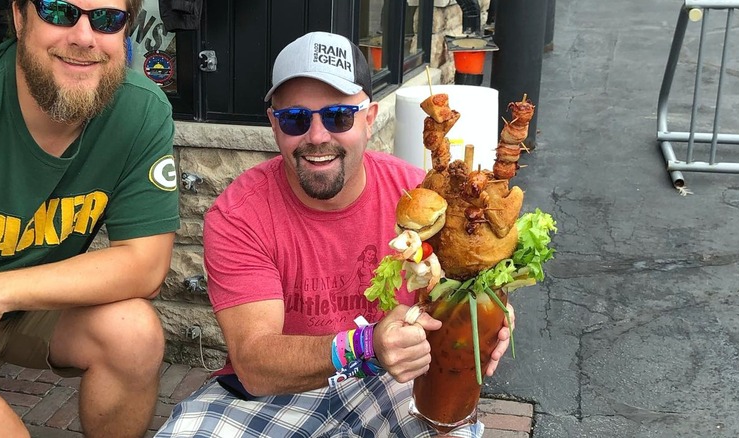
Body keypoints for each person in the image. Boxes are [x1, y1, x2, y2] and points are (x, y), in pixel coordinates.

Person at [155, 31, 513, 438]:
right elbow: (254, 364)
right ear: (274, 124)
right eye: (295, 118)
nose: (317, 136)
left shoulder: (422, 199)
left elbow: (468, 283)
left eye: (339, 115)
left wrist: (491, 313)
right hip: (278, 392)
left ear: (369, 118)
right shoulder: (239, 214)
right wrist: (365, 345)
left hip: (392, 382)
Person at [0, 0, 179, 436]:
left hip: (16, 306)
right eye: (58, 11)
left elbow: (145, 263)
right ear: (20, 16)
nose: (84, 37)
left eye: (106, 18)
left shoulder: (138, 110)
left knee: (132, 334)